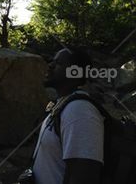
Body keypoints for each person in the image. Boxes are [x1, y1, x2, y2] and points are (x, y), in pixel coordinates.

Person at [30, 48, 103, 184]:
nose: (50, 65)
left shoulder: (80, 112)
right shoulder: (61, 105)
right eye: (52, 61)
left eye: (58, 63)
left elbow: (84, 176)